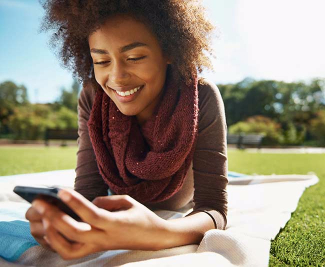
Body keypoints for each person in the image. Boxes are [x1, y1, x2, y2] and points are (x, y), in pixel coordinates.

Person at [25, 0, 228, 260]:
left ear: (169, 51)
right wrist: (65, 220)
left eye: (134, 57)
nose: (117, 77)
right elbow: (89, 194)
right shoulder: (92, 97)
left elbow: (214, 210)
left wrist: (160, 232)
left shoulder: (202, 95)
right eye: (101, 61)